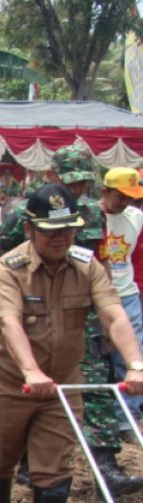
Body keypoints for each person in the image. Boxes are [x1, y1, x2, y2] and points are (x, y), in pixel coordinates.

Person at [0, 184, 143, 503]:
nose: (59, 238)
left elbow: (114, 313)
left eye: (67, 229)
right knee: (0, 454)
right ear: (31, 229)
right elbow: (10, 322)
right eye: (50, 230)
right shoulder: (9, 268)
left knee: (55, 461)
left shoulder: (87, 266)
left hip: (62, 382)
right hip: (9, 380)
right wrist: (30, 370)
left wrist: (136, 363)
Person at [0, 144, 135, 492]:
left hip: (81, 314)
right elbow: (0, 261)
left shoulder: (91, 212)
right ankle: (29, 462)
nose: (76, 189)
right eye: (69, 181)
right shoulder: (26, 212)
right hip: (35, 312)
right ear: (52, 175)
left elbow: (98, 262)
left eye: (82, 182)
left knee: (98, 387)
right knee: (36, 390)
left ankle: (107, 466)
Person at [99, 167, 143, 423]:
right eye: (120, 196)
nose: (126, 201)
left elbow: (137, 258)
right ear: (105, 191)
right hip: (98, 295)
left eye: (130, 196)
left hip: (127, 294)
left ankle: (127, 416)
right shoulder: (91, 216)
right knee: (97, 356)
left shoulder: (136, 218)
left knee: (132, 354)